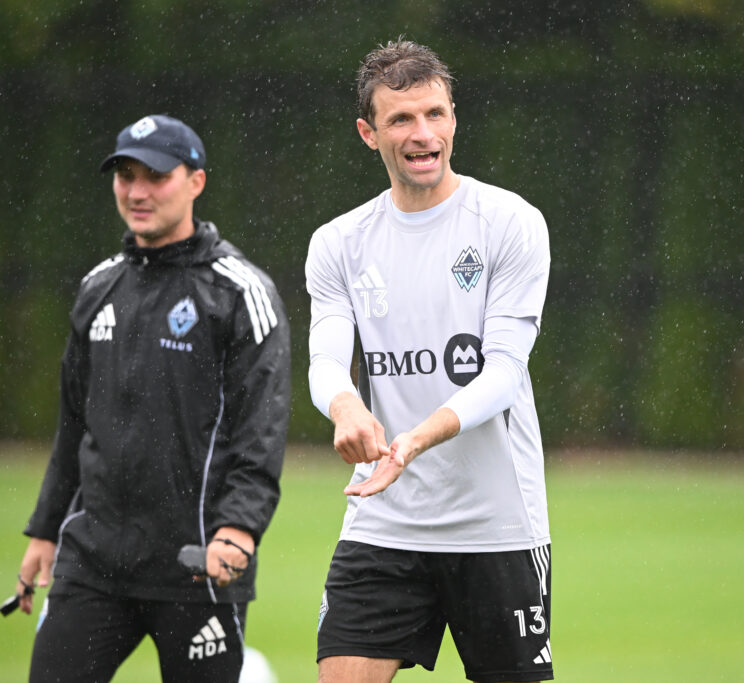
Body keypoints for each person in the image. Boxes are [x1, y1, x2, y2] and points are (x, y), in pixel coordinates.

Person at [305, 39, 553, 683]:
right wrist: (346, 406)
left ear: (452, 118)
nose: (423, 134)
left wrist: (414, 439)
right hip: (384, 522)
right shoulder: (339, 243)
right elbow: (326, 360)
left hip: (495, 527)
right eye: (401, 119)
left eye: (435, 114)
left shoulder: (509, 223)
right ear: (369, 132)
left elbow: (501, 375)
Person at [14, 114, 291, 682]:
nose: (137, 192)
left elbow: (259, 428)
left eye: (155, 176)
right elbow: (73, 425)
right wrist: (45, 530)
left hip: (199, 564)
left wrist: (238, 529)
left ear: (196, 182)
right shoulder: (98, 288)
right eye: (125, 176)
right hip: (92, 562)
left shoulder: (240, 292)